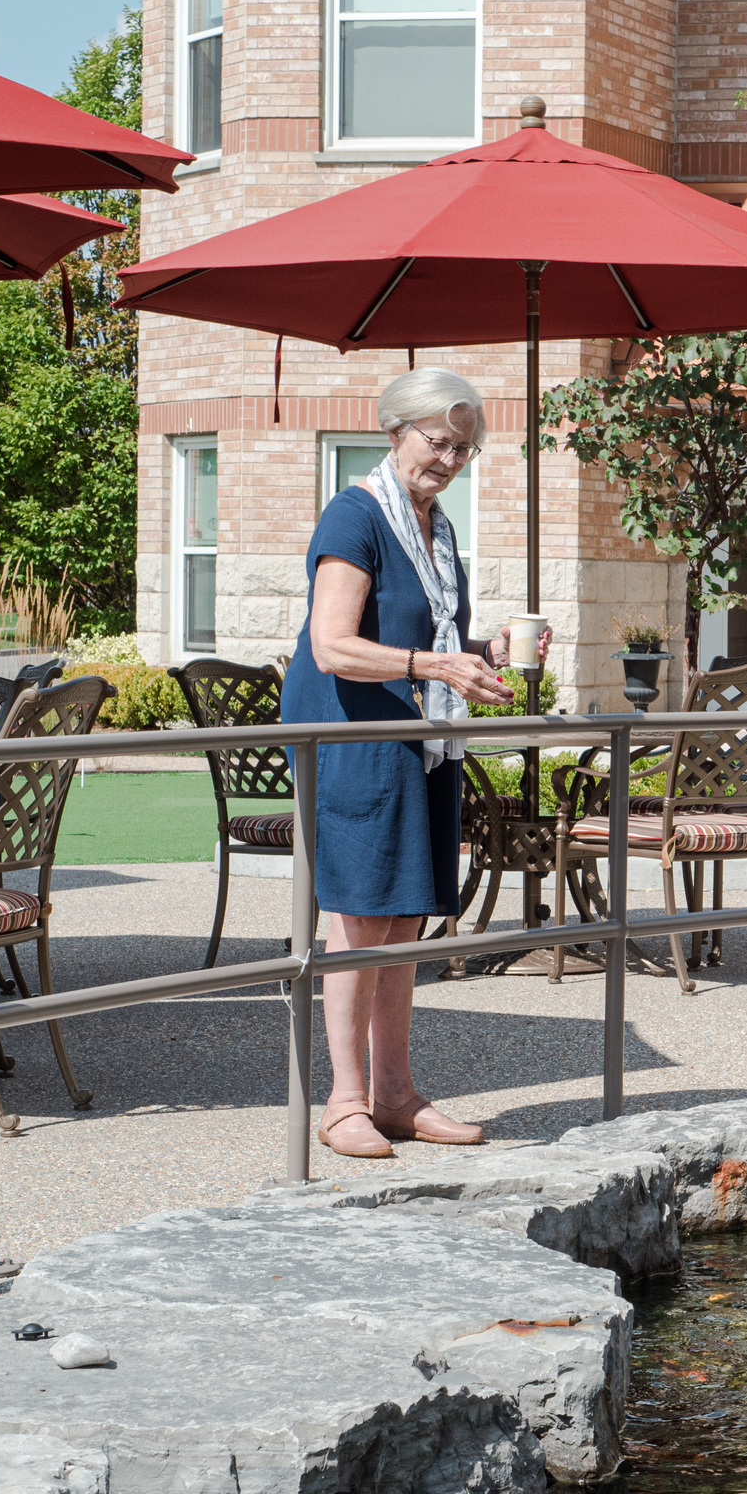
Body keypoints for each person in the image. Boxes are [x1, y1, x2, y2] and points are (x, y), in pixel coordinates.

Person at [283, 368, 547, 1160]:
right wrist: (438, 671)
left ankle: (396, 1094)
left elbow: (425, 638)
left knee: (404, 919)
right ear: (395, 431)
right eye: (438, 441)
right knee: (360, 921)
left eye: (463, 448)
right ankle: (343, 1102)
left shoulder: (437, 528)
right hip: (353, 739)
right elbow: (333, 646)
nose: (450, 459)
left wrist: (480, 651)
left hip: (414, 737)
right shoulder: (356, 516)